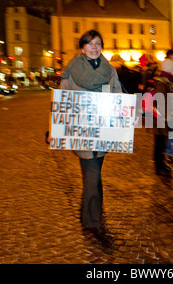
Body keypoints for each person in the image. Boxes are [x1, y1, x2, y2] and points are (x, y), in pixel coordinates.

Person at [49, 30, 122, 239]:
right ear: (82, 47)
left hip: (103, 130)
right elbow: (62, 100)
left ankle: (90, 213)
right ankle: (92, 222)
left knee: (95, 174)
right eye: (90, 44)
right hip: (81, 130)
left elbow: (117, 95)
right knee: (91, 174)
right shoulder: (72, 70)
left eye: (98, 43)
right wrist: (55, 128)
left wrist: (126, 113)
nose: (94, 47)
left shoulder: (109, 69)